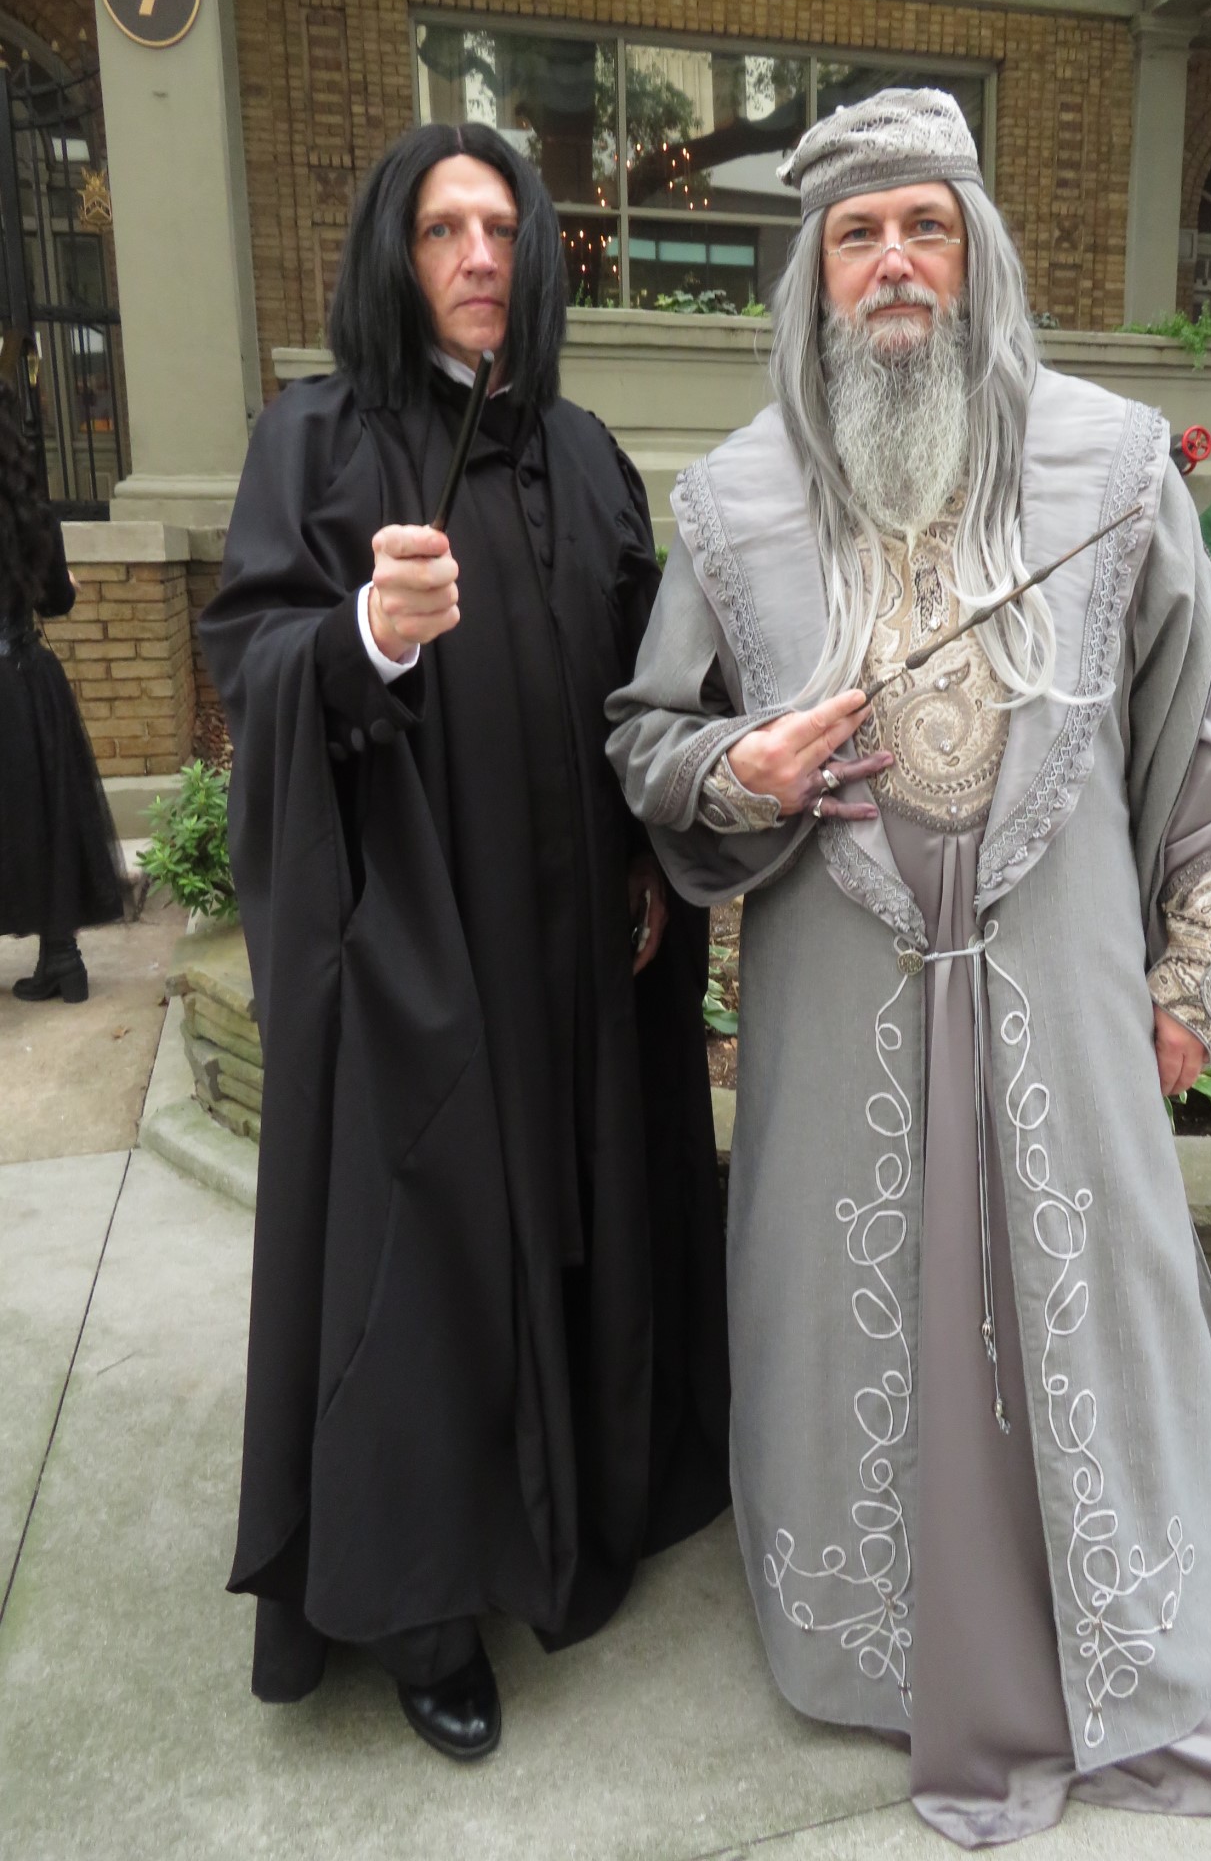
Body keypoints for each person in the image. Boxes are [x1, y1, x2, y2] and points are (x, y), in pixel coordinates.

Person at [607, 89, 1211, 1845]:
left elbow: (1199, 727)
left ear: (976, 252)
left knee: (1083, 1286)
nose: (896, 263)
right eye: (859, 234)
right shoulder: (733, 503)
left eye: (926, 226)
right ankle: (888, 1643)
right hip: (838, 1001)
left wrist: (1192, 976)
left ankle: (1112, 1610)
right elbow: (645, 737)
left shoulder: (1112, 464)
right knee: (864, 1305)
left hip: (1059, 987)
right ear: (816, 274)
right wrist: (738, 768)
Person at [200, 123, 729, 1761]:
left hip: (581, 942)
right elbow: (254, 656)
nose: (479, 255)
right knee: (429, 1253)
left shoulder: (581, 452)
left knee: (584, 1206)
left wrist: (648, 855)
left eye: (502, 227)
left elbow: (639, 682)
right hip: (424, 940)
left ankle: (593, 1500)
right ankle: (428, 1609)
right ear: (395, 253)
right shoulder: (318, 440)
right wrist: (363, 635)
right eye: (443, 229)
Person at [0, 362, 123, 998]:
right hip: (22, 678)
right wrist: (57, 584)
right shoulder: (30, 514)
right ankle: (63, 958)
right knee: (44, 814)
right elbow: (55, 600)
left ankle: (60, 962)